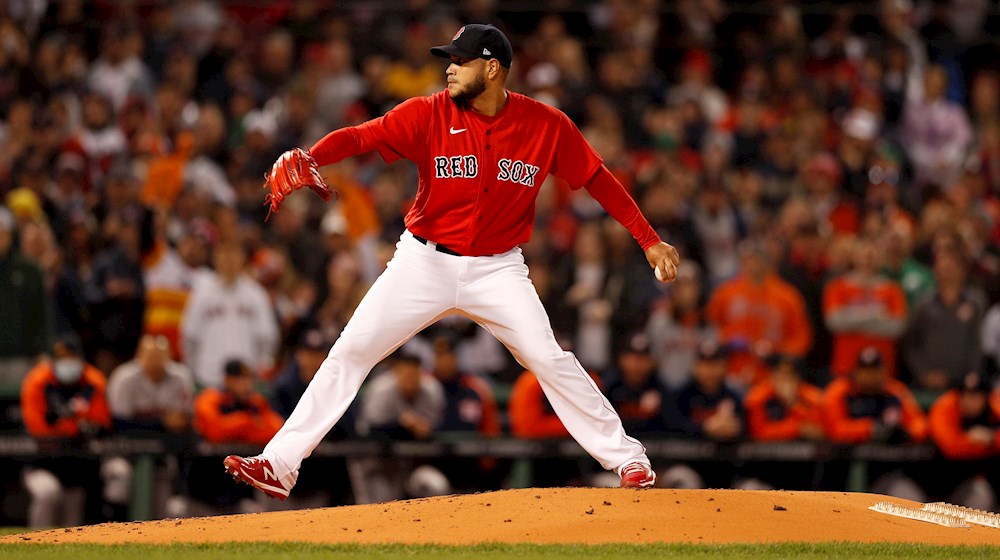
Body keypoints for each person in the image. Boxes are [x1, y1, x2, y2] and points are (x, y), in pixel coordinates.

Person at [225, 24, 678, 497]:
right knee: (351, 351)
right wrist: (312, 155)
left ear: (492, 68)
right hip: (423, 262)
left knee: (549, 357)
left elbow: (597, 178)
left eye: (460, 61)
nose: (449, 67)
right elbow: (362, 136)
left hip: (498, 268)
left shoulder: (545, 124)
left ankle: (628, 459)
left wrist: (648, 239)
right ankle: (280, 464)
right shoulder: (429, 113)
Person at [19, 333, 124, 527]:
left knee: (72, 523)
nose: (67, 361)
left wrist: (63, 423)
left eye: (71, 356)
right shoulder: (38, 381)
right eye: (61, 357)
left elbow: (101, 424)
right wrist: (77, 426)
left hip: (79, 466)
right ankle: (33, 545)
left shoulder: (92, 380)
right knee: (47, 493)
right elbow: (39, 430)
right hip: (42, 464)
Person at [820, 346, 928, 499]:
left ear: (883, 371)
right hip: (839, 472)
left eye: (874, 370)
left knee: (909, 497)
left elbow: (919, 423)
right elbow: (835, 429)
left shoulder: (895, 391)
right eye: (865, 370)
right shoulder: (839, 391)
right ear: (856, 371)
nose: (869, 376)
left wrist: (908, 433)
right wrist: (871, 429)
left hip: (884, 472)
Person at [351, 350, 450, 503]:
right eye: (405, 374)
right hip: (373, 463)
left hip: (407, 463)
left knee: (432, 487)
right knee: (379, 505)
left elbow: (441, 427)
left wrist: (425, 430)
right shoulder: (381, 390)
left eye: (414, 374)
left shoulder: (430, 391)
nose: (410, 379)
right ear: (396, 373)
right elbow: (367, 431)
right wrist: (402, 425)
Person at [926, 372, 1000, 511]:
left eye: (976, 396)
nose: (969, 401)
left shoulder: (994, 408)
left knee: (981, 496)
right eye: (966, 396)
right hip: (935, 482)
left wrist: (991, 439)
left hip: (971, 483)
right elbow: (951, 447)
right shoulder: (946, 406)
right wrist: (973, 441)